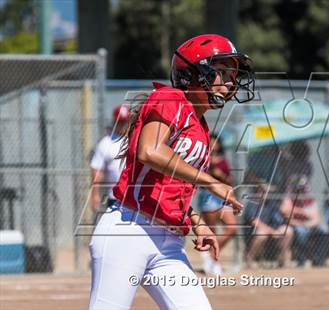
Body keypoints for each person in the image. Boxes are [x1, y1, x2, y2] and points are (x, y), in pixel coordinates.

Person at [88, 34, 255, 310]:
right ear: (195, 73)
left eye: (233, 75)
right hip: (128, 231)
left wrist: (197, 222)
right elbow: (149, 152)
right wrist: (212, 181)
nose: (230, 82)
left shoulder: (200, 127)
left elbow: (170, 186)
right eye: (223, 72)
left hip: (168, 243)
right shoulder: (169, 97)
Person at [197, 134, 237, 276]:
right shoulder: (203, 159)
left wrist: (221, 175)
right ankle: (213, 260)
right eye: (211, 143)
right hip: (208, 196)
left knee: (232, 228)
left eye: (216, 143)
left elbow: (229, 180)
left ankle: (210, 255)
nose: (214, 145)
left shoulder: (223, 161)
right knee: (211, 231)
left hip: (223, 197)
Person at [244, 181, 294, 268]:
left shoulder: (271, 203)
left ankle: (283, 259)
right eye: (264, 190)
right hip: (253, 234)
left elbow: (281, 218)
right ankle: (250, 258)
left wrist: (286, 211)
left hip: (271, 231)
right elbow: (255, 222)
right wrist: (273, 231)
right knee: (262, 234)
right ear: (259, 190)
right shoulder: (252, 203)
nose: (267, 193)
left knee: (288, 231)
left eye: (268, 191)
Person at [90, 104, 130, 212]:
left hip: (134, 198)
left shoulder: (135, 139)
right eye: (120, 122)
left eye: (125, 122)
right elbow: (97, 171)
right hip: (114, 198)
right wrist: (95, 195)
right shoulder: (106, 143)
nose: (122, 125)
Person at [281, 175, 326, 267]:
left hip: (309, 225)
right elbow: (284, 211)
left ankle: (318, 261)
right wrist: (302, 212)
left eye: (302, 188)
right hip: (296, 225)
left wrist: (306, 222)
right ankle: (301, 261)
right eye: (297, 188)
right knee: (301, 232)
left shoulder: (310, 200)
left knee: (323, 230)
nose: (300, 191)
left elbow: (316, 219)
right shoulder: (289, 198)